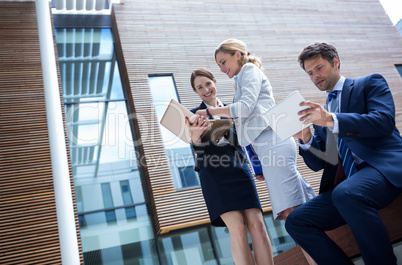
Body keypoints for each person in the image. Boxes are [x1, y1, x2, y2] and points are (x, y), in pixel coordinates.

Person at [285, 42, 402, 265]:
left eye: (319, 68)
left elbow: (383, 121)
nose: (315, 76)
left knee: (345, 193)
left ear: (335, 62)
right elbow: (319, 163)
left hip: (383, 169)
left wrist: (331, 120)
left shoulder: (368, 83)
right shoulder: (321, 116)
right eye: (310, 73)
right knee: (296, 221)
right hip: (350, 188)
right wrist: (306, 139)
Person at [196, 39, 316, 222]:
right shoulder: (241, 80)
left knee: (291, 211)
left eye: (223, 62)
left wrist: (210, 111)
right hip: (266, 147)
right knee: (298, 206)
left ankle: (317, 247)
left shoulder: (249, 70)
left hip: (273, 142)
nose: (221, 69)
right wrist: (256, 162)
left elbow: (244, 108)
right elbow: (247, 128)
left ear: (237, 54)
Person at [187, 67, 274, 265]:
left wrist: (258, 167)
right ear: (196, 92)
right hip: (215, 175)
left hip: (240, 171)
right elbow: (199, 157)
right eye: (199, 87)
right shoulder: (193, 116)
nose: (205, 89)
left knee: (258, 225)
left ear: (214, 82)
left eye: (208, 84)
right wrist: (195, 138)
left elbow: (245, 143)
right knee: (237, 229)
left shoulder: (234, 109)